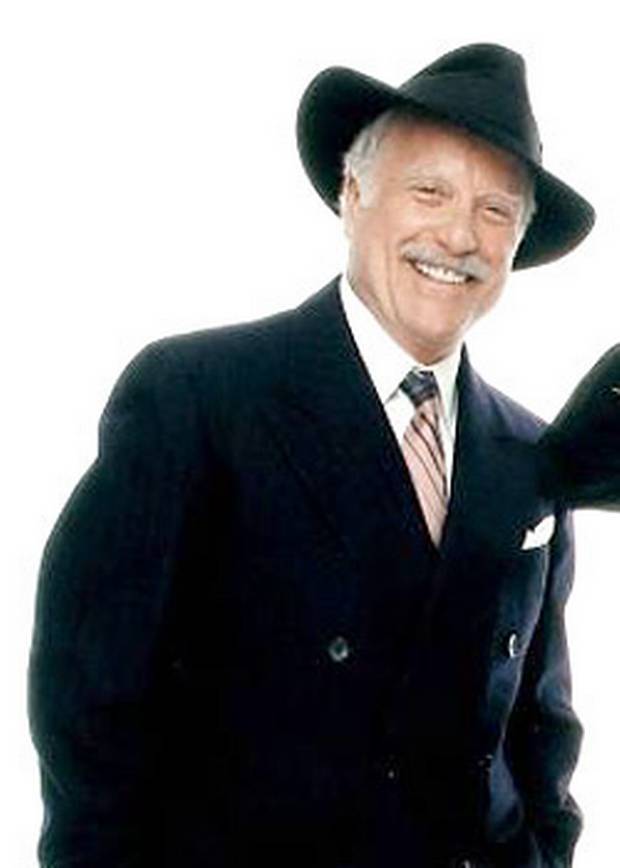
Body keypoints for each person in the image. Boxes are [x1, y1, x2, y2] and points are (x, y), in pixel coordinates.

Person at [28, 43, 596, 868]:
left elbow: (542, 732)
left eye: (496, 210)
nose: (459, 235)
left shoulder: (532, 453)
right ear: (352, 193)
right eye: (429, 191)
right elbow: (90, 706)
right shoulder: (197, 397)